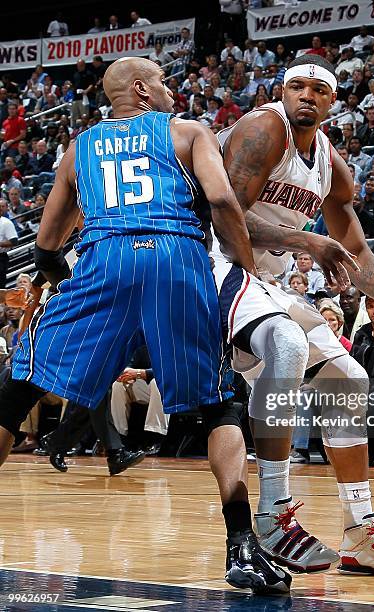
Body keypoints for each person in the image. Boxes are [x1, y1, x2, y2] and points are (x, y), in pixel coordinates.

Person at [0, 57, 290, 595]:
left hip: (102, 259)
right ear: (140, 89)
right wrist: (246, 268)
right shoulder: (186, 131)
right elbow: (224, 200)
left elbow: (46, 243)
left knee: (17, 390)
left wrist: (69, 281)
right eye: (161, 81)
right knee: (217, 401)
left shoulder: (77, 147)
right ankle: (241, 546)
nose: (169, 89)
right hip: (175, 259)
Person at [213, 54, 374, 576]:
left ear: (333, 101)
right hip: (215, 263)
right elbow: (224, 216)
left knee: (348, 377)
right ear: (282, 91)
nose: (306, 96)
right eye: (297, 86)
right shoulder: (263, 127)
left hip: (263, 279)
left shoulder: (329, 162)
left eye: (318, 89)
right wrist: (306, 239)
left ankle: (360, 532)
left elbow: (355, 249)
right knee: (289, 345)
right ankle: (271, 515)